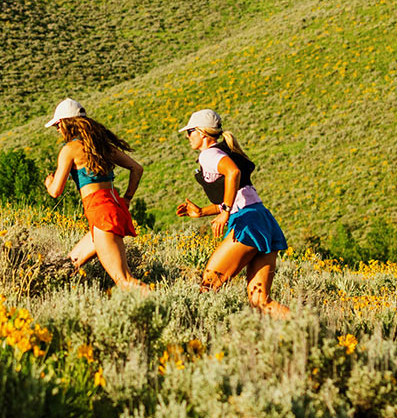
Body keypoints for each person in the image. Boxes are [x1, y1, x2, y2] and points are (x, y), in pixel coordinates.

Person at [175, 108, 291, 317]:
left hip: (247, 222)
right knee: (260, 301)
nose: (187, 136)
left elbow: (233, 173)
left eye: (190, 131)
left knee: (207, 287)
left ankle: (196, 338)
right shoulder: (222, 152)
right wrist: (203, 212)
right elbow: (239, 193)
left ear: (202, 133)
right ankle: (310, 329)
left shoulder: (209, 155)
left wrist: (225, 212)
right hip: (261, 218)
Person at [42, 98, 148, 289]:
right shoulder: (102, 146)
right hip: (113, 207)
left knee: (125, 281)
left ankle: (164, 311)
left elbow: (56, 191)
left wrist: (49, 183)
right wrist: (127, 198)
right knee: (69, 265)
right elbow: (136, 169)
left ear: (66, 123)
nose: (57, 130)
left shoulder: (70, 150)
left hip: (100, 213)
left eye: (57, 125)